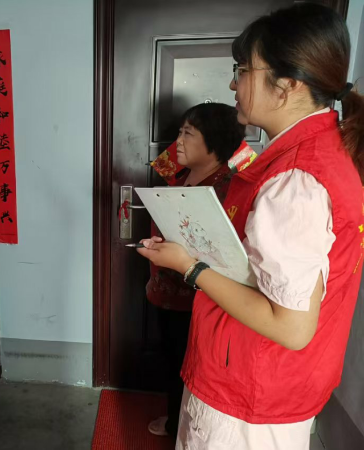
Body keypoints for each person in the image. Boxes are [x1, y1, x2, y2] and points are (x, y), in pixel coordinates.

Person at [137, 4, 364, 449]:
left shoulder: (295, 181)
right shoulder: (315, 153)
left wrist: (190, 267)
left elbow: (291, 327)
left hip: (247, 394)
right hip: (263, 380)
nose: (233, 84)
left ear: (288, 84)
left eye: (242, 70)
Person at [146, 103, 245, 439]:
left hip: (199, 299)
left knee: (190, 365)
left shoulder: (228, 187)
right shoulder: (179, 171)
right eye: (179, 132)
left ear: (214, 142)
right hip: (165, 290)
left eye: (187, 134)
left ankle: (180, 426)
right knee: (171, 359)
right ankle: (175, 417)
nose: (178, 141)